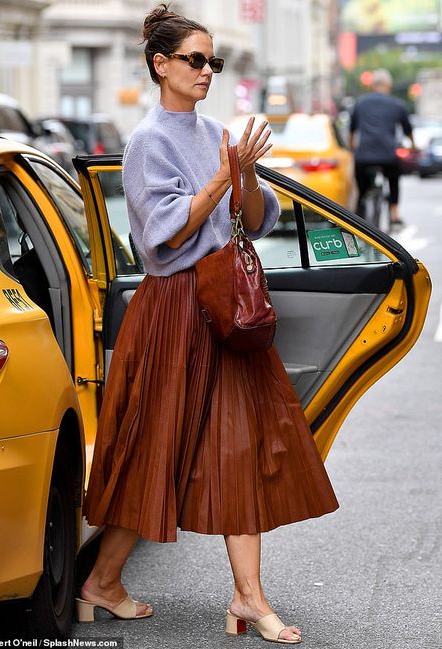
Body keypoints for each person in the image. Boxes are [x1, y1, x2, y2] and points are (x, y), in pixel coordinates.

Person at [77, 4, 338, 644]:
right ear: (160, 64)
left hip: (224, 308)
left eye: (213, 61)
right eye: (195, 59)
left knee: (241, 450)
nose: (207, 71)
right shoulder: (147, 142)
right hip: (172, 309)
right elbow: (165, 231)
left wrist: (243, 177)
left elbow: (259, 215)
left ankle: (248, 597)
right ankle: (101, 582)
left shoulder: (217, 131)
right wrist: (223, 175)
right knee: (153, 451)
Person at [349, 68, 416, 226]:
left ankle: (359, 210)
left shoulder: (360, 103)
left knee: (362, 185)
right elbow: (408, 130)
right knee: (394, 178)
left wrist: (352, 147)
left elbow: (352, 130)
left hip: (363, 156)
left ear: (372, 86)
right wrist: (413, 147)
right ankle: (394, 213)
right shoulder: (397, 105)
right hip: (387, 156)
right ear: (389, 86)